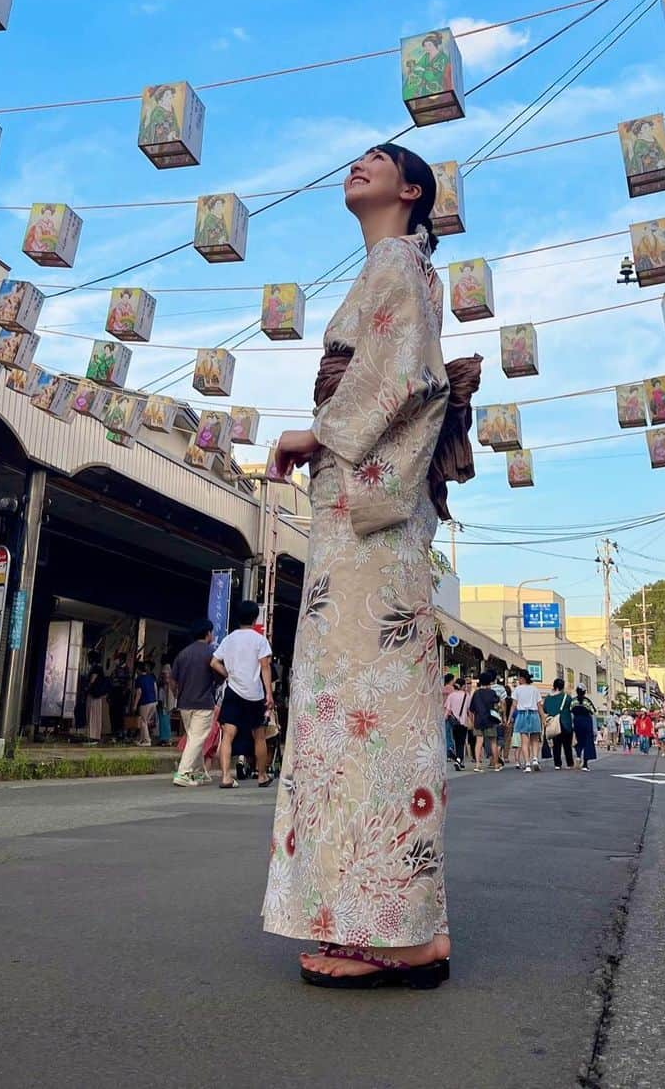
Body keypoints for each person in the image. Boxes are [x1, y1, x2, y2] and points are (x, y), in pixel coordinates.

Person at [263, 143, 476, 991]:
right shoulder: (401, 267)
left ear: (412, 191)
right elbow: (405, 372)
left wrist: (316, 430)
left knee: (365, 709)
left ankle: (401, 933)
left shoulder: (397, 259)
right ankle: (384, 918)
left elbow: (406, 374)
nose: (356, 167)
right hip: (367, 504)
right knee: (367, 708)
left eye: (377, 162)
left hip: (365, 509)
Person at [211, 600, 273, 790]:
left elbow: (214, 662)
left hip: (233, 691)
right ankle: (262, 775)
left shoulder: (229, 639)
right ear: (255, 618)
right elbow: (265, 667)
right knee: (259, 735)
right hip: (254, 693)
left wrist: (228, 674)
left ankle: (225, 777)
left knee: (228, 735)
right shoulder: (260, 640)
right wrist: (269, 693)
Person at [170, 618, 218, 786]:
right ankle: (183, 773)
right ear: (208, 633)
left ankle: (199, 773)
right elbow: (218, 676)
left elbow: (172, 681)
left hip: (184, 703)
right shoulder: (211, 653)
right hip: (203, 703)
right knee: (197, 738)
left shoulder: (183, 653)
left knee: (193, 737)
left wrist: (177, 694)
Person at [469, 670, 503, 772]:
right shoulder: (492, 693)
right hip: (490, 720)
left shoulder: (476, 693)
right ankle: (496, 764)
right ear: (490, 682)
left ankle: (478, 764)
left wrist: (472, 721)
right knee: (493, 741)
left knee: (479, 742)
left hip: (479, 720)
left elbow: (472, 709)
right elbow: (498, 703)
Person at [509, 668, 543, 772]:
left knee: (524, 741)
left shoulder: (517, 689)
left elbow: (514, 705)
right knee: (535, 740)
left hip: (522, 715)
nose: (518, 679)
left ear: (522, 678)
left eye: (519, 677)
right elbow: (539, 705)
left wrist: (509, 717)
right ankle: (535, 759)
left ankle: (527, 764)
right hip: (534, 714)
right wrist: (543, 717)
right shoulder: (534, 689)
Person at [541, 677, 574, 770]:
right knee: (567, 745)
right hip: (565, 723)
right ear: (562, 687)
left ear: (554, 686)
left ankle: (557, 764)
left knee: (556, 744)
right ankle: (569, 763)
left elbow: (545, 710)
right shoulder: (566, 697)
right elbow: (571, 709)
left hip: (553, 724)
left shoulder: (547, 698)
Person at [444, 677, 471, 770]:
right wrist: (472, 720)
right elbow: (469, 710)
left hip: (454, 723)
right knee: (462, 742)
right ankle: (459, 760)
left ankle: (458, 760)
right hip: (463, 722)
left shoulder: (451, 695)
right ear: (463, 686)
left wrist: (445, 719)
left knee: (456, 741)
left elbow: (448, 710)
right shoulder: (466, 696)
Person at [131, 660, 158, 747]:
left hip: (145, 702)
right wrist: (156, 700)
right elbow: (155, 688)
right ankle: (142, 740)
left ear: (138, 670)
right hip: (153, 702)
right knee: (145, 721)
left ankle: (147, 740)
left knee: (143, 721)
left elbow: (139, 692)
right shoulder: (151, 677)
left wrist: (135, 705)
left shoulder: (139, 679)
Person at [84, 649, 108, 744]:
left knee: (92, 714)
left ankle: (92, 736)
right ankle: (95, 735)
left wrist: (87, 688)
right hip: (97, 695)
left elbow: (92, 680)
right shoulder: (100, 668)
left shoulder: (95, 668)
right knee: (96, 714)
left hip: (93, 694)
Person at [572, 688, 598, 770]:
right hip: (586, 722)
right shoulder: (587, 701)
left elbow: (570, 712)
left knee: (578, 741)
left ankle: (578, 756)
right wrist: (595, 728)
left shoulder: (573, 701)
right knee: (588, 742)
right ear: (584, 692)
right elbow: (593, 712)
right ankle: (585, 764)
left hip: (577, 722)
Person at [108, 652, 132, 743]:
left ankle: (121, 735)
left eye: (117, 659)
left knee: (121, 716)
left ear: (121, 660)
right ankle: (115, 734)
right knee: (113, 715)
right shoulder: (116, 669)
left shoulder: (126, 670)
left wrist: (124, 695)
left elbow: (128, 685)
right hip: (114, 695)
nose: (115, 661)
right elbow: (111, 681)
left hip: (121, 696)